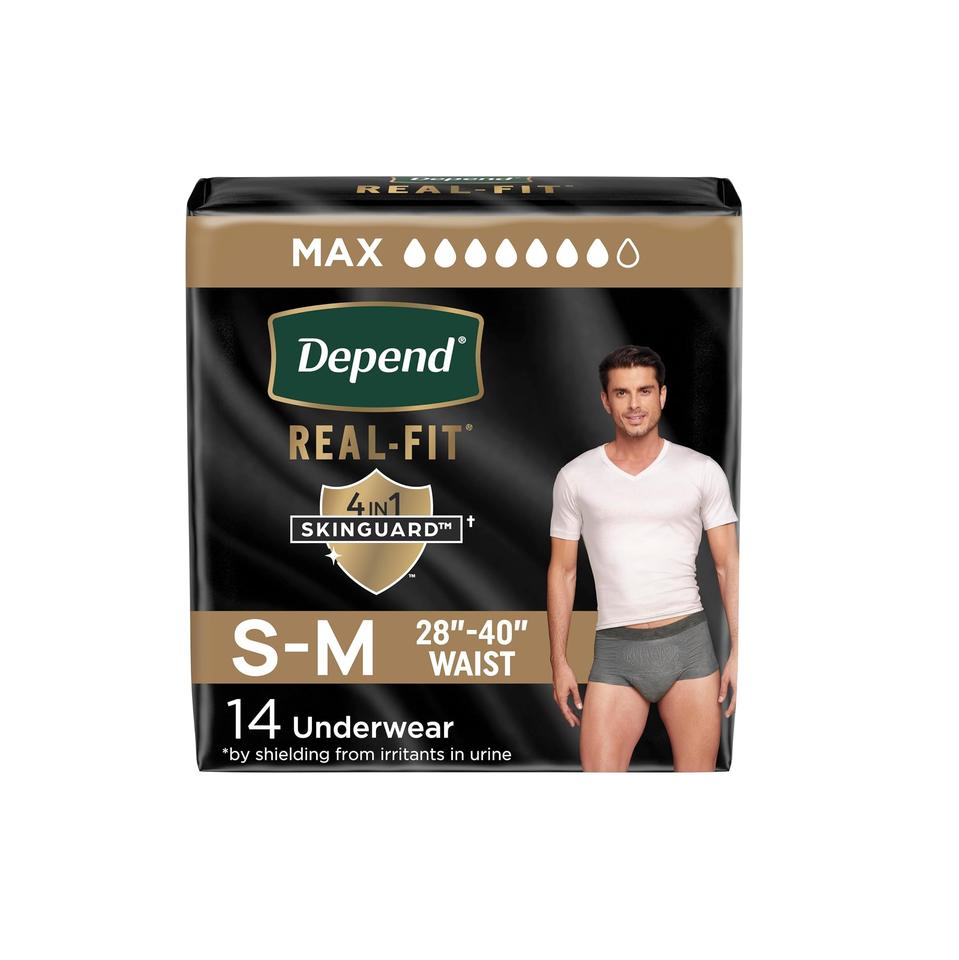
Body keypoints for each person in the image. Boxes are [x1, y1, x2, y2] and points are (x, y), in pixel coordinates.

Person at [547, 345, 739, 771]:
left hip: (688, 649)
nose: (634, 404)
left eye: (644, 391)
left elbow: (728, 565)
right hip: (616, 652)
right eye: (622, 393)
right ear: (605, 400)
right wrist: (558, 662)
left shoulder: (701, 470)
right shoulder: (576, 477)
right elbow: (562, 571)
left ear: (662, 395)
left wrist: (741, 651)